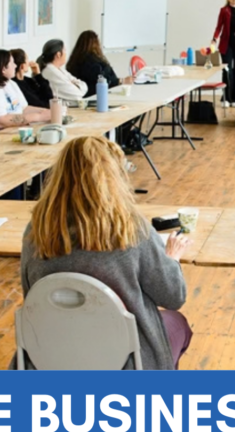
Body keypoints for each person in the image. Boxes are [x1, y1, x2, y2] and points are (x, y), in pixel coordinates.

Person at [21, 136, 193, 370]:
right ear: (113, 177)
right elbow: (174, 297)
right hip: (127, 363)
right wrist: (171, 258)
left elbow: (31, 293)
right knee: (178, 324)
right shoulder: (132, 227)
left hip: (52, 356)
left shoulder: (36, 229)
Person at [66, 30, 125, 98]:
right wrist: (121, 81)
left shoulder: (74, 59)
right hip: (94, 98)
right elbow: (103, 80)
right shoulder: (94, 62)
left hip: (80, 97)